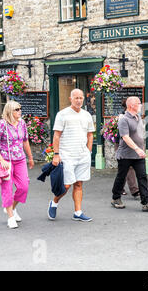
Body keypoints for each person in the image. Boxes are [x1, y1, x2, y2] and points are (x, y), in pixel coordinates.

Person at [47, 89, 95, 222]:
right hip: (67, 154)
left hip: (82, 155)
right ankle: (54, 202)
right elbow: (56, 135)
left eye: (81, 98)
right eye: (76, 98)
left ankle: (78, 212)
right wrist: (56, 154)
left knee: (79, 184)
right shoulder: (62, 114)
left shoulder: (87, 115)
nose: (79, 100)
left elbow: (90, 134)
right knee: (66, 185)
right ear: (70, 99)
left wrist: (88, 151)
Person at [0, 101, 34, 229]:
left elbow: (25, 141)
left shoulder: (22, 123)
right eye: (16, 109)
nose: (19, 111)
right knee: (7, 189)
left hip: (20, 159)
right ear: (9, 111)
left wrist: (30, 157)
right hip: (6, 161)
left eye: (20, 109)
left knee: (23, 187)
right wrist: (1, 159)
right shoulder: (1, 125)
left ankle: (12, 208)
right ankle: (10, 217)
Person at [111, 96, 148, 212]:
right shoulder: (124, 119)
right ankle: (116, 198)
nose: (141, 105)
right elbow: (125, 137)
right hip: (125, 154)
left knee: (142, 177)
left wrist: (140, 149)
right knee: (121, 177)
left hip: (138, 155)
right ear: (131, 105)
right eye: (138, 103)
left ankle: (146, 203)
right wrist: (137, 149)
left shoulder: (138, 118)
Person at [118, 98, 139, 199]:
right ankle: (134, 190)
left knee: (125, 170)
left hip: (134, 145)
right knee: (126, 169)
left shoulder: (136, 117)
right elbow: (124, 135)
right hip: (125, 145)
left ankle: (120, 189)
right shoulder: (123, 117)